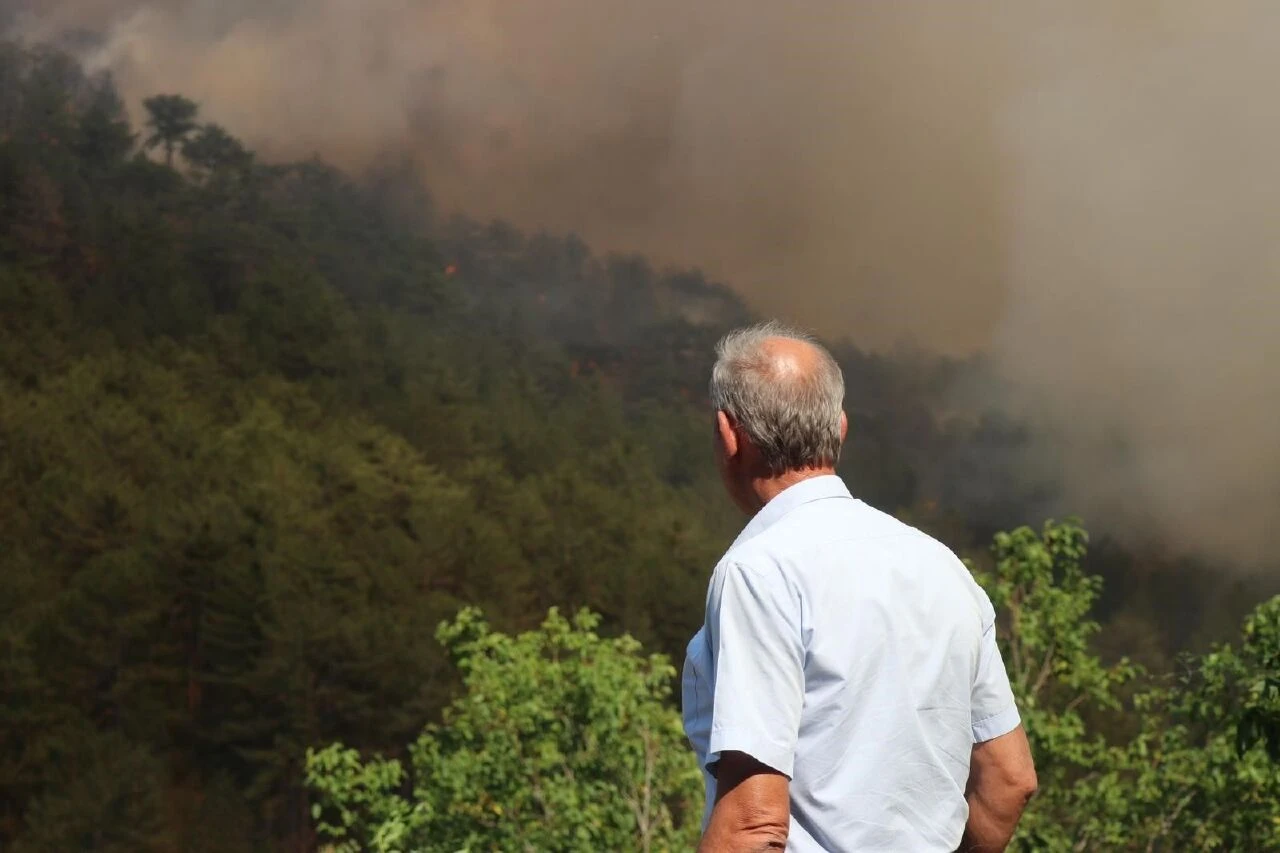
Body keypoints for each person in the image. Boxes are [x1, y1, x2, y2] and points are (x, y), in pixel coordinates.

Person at [682, 321, 1037, 852]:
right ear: (840, 429)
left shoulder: (760, 571)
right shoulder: (943, 569)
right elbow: (1010, 781)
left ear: (728, 435)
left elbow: (755, 824)